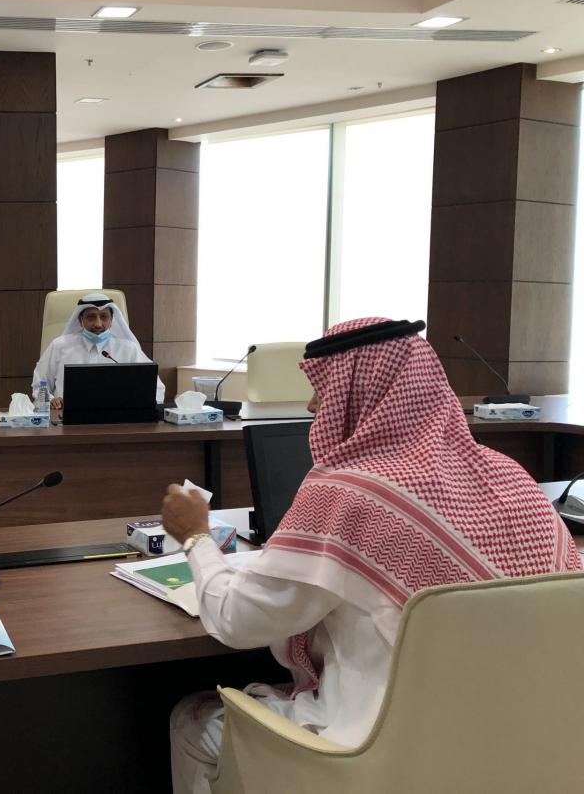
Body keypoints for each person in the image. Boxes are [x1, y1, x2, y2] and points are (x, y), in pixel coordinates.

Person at [161, 317, 581, 794]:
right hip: (536, 745)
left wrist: (195, 538)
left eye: (323, 388)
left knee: (193, 718)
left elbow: (235, 620)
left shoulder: (346, 493)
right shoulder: (513, 476)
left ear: (360, 393)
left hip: (388, 760)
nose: (312, 405)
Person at [32, 292, 165, 408]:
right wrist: (50, 401)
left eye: (104, 317)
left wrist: (143, 406)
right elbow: (40, 384)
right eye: (91, 317)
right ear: (80, 320)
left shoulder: (129, 349)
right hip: (66, 418)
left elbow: (155, 387)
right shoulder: (59, 346)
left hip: (119, 419)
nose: (98, 324)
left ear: (111, 320)